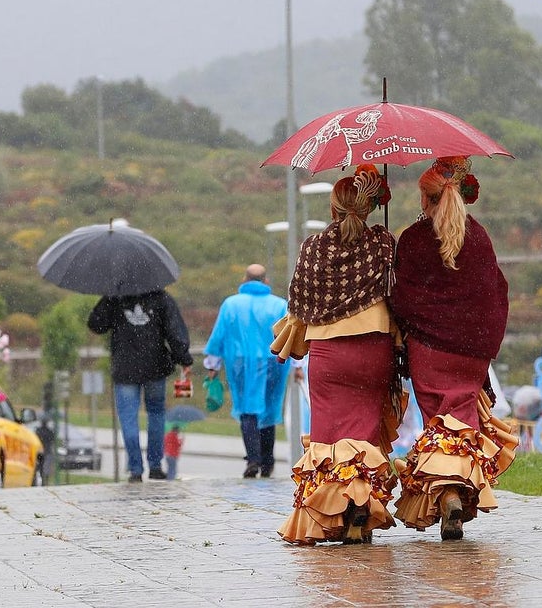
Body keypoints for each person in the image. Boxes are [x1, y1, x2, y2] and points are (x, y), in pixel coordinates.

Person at [271, 164, 402, 546]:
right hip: (374, 348)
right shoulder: (383, 243)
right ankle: (359, 506)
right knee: (364, 432)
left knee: (328, 439)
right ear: (370, 207)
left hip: (329, 352)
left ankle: (335, 510)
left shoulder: (314, 247)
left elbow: (300, 301)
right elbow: (397, 293)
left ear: (333, 209)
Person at [388, 156, 518, 541]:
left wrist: (411, 324)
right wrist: (482, 341)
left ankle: (447, 494)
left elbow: (402, 297)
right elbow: (496, 291)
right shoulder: (479, 237)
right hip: (471, 350)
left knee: (438, 423)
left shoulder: (413, 239)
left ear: (425, 199)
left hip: (429, 348)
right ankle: (457, 492)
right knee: (462, 420)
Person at [88, 290, 194, 482]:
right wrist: (184, 358)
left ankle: (136, 469)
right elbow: (175, 331)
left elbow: (96, 324)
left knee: (128, 417)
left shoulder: (116, 297)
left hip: (125, 368)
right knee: (156, 414)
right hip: (155, 367)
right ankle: (155, 466)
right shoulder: (161, 298)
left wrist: (108, 298)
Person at [203, 264, 289, 478]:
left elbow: (219, 336)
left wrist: (213, 365)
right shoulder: (279, 305)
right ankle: (267, 461)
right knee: (269, 408)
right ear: (266, 281)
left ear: (244, 279)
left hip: (240, 364)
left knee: (246, 409)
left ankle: (253, 459)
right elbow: (289, 335)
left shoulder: (231, 304)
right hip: (272, 362)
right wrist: (297, 365)